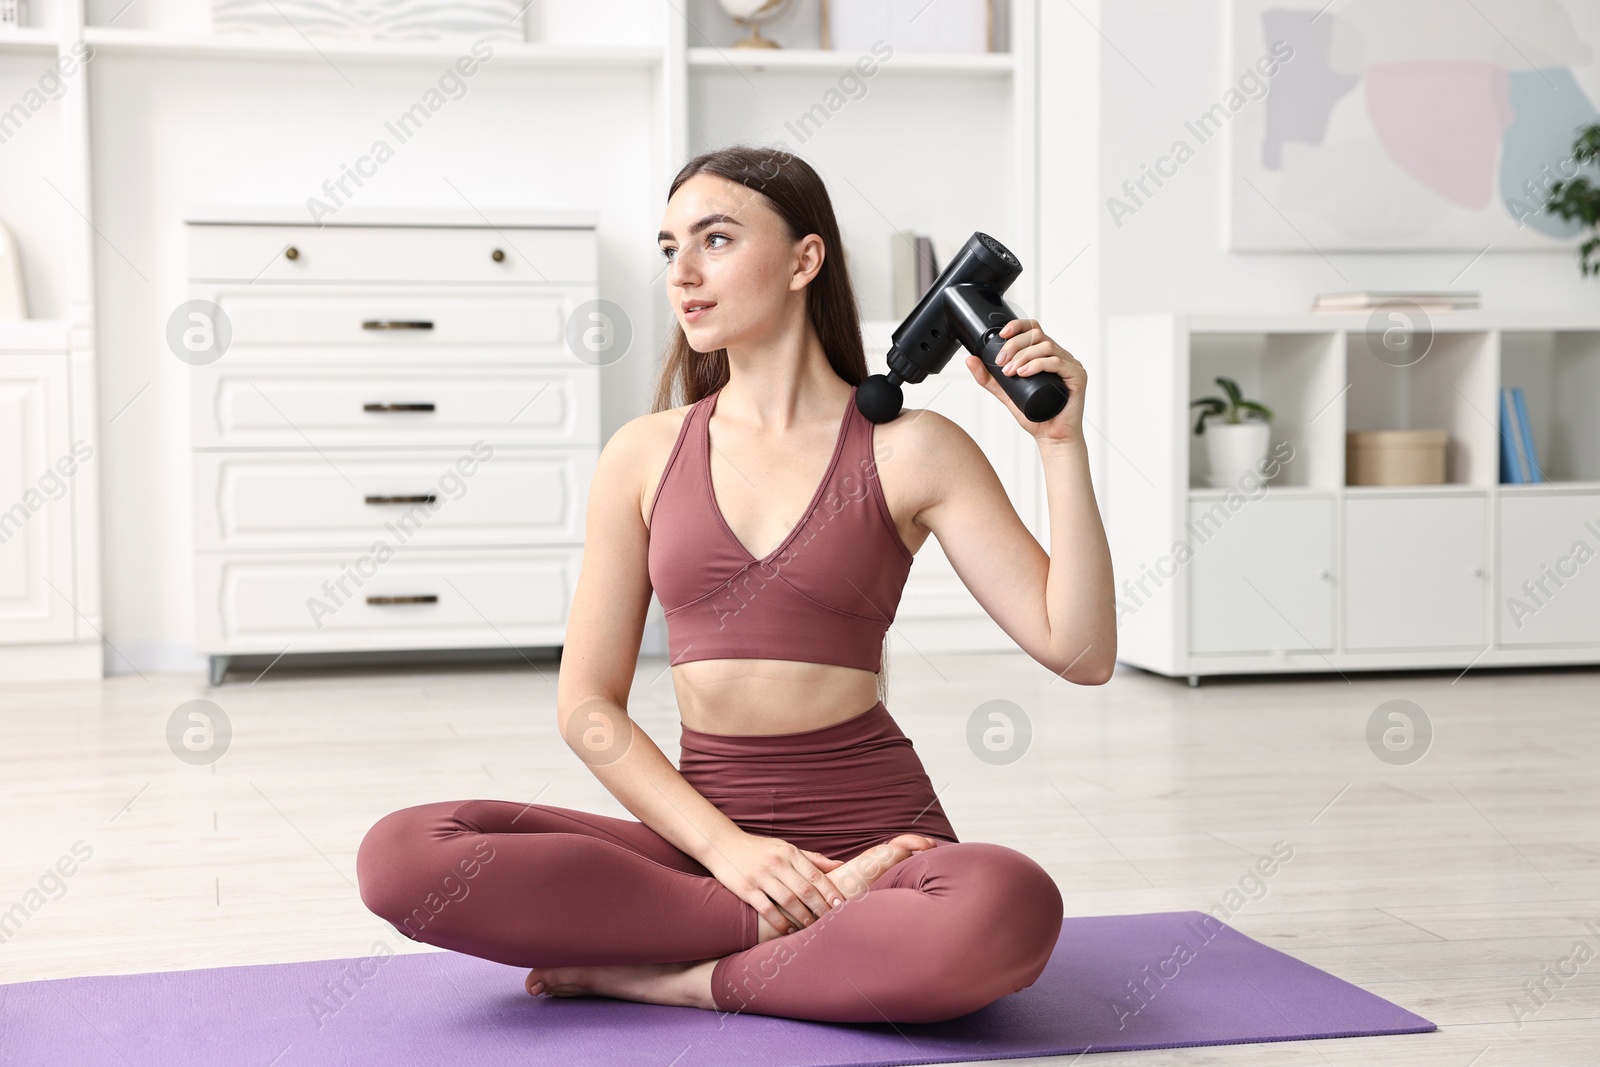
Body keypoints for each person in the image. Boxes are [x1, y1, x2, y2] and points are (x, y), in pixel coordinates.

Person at [356, 144, 1117, 1025]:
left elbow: (1083, 652)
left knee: (1007, 901)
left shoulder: (913, 446)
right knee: (405, 854)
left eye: (715, 239)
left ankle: (678, 975)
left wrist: (1061, 447)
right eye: (670, 247)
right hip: (702, 843)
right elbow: (586, 705)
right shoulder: (644, 452)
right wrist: (733, 856)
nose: (683, 272)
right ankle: (780, 929)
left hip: (882, 842)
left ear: (805, 259)